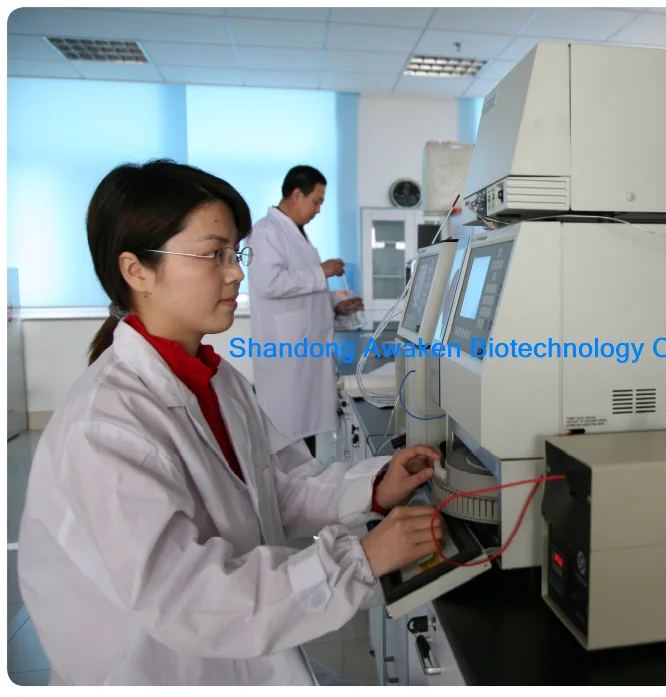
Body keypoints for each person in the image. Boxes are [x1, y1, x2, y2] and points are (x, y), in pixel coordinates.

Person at [17, 160, 444, 685]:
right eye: (213, 254)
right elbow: (188, 598)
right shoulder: (106, 425)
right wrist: (360, 559)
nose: (237, 272)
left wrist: (375, 488)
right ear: (136, 271)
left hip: (240, 658)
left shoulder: (217, 381)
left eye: (235, 254)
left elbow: (275, 492)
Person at [246, 165, 362, 458]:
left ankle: (307, 481)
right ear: (297, 195)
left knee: (305, 430)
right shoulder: (266, 231)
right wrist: (321, 270)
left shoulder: (295, 233)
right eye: (317, 201)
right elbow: (269, 283)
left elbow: (304, 288)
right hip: (286, 352)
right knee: (286, 433)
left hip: (304, 349)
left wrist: (335, 304)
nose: (319, 210)